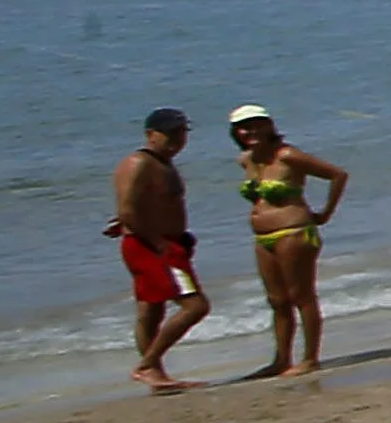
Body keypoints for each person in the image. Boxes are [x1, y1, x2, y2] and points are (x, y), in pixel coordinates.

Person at [223, 107, 348, 378]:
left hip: (294, 233)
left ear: (269, 126)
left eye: (256, 125)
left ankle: (310, 358)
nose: (250, 131)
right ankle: (281, 360)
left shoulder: (288, 156)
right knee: (277, 300)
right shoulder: (245, 160)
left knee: (301, 296)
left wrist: (325, 213)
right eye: (243, 127)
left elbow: (337, 175)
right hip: (263, 238)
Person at [110, 107, 211, 390]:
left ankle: (156, 376)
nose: (177, 139)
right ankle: (147, 365)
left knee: (151, 310)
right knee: (195, 306)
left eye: (181, 133)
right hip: (153, 245)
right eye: (169, 133)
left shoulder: (161, 162)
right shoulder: (139, 163)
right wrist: (157, 243)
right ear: (150, 134)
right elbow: (127, 208)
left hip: (160, 242)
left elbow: (138, 208)